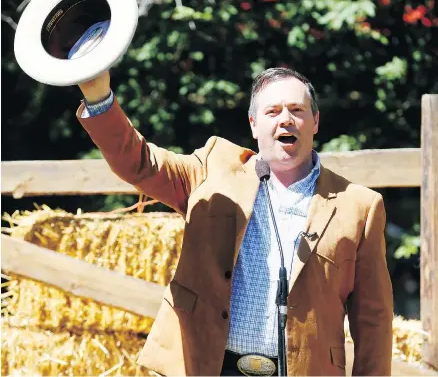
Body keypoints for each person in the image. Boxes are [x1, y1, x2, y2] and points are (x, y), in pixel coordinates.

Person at [76, 66, 393, 376]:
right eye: (273, 111)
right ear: (254, 125)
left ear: (315, 122)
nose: (286, 118)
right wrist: (98, 97)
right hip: (207, 366)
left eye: (297, 109)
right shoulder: (214, 169)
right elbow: (141, 164)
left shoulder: (359, 206)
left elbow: (373, 320)